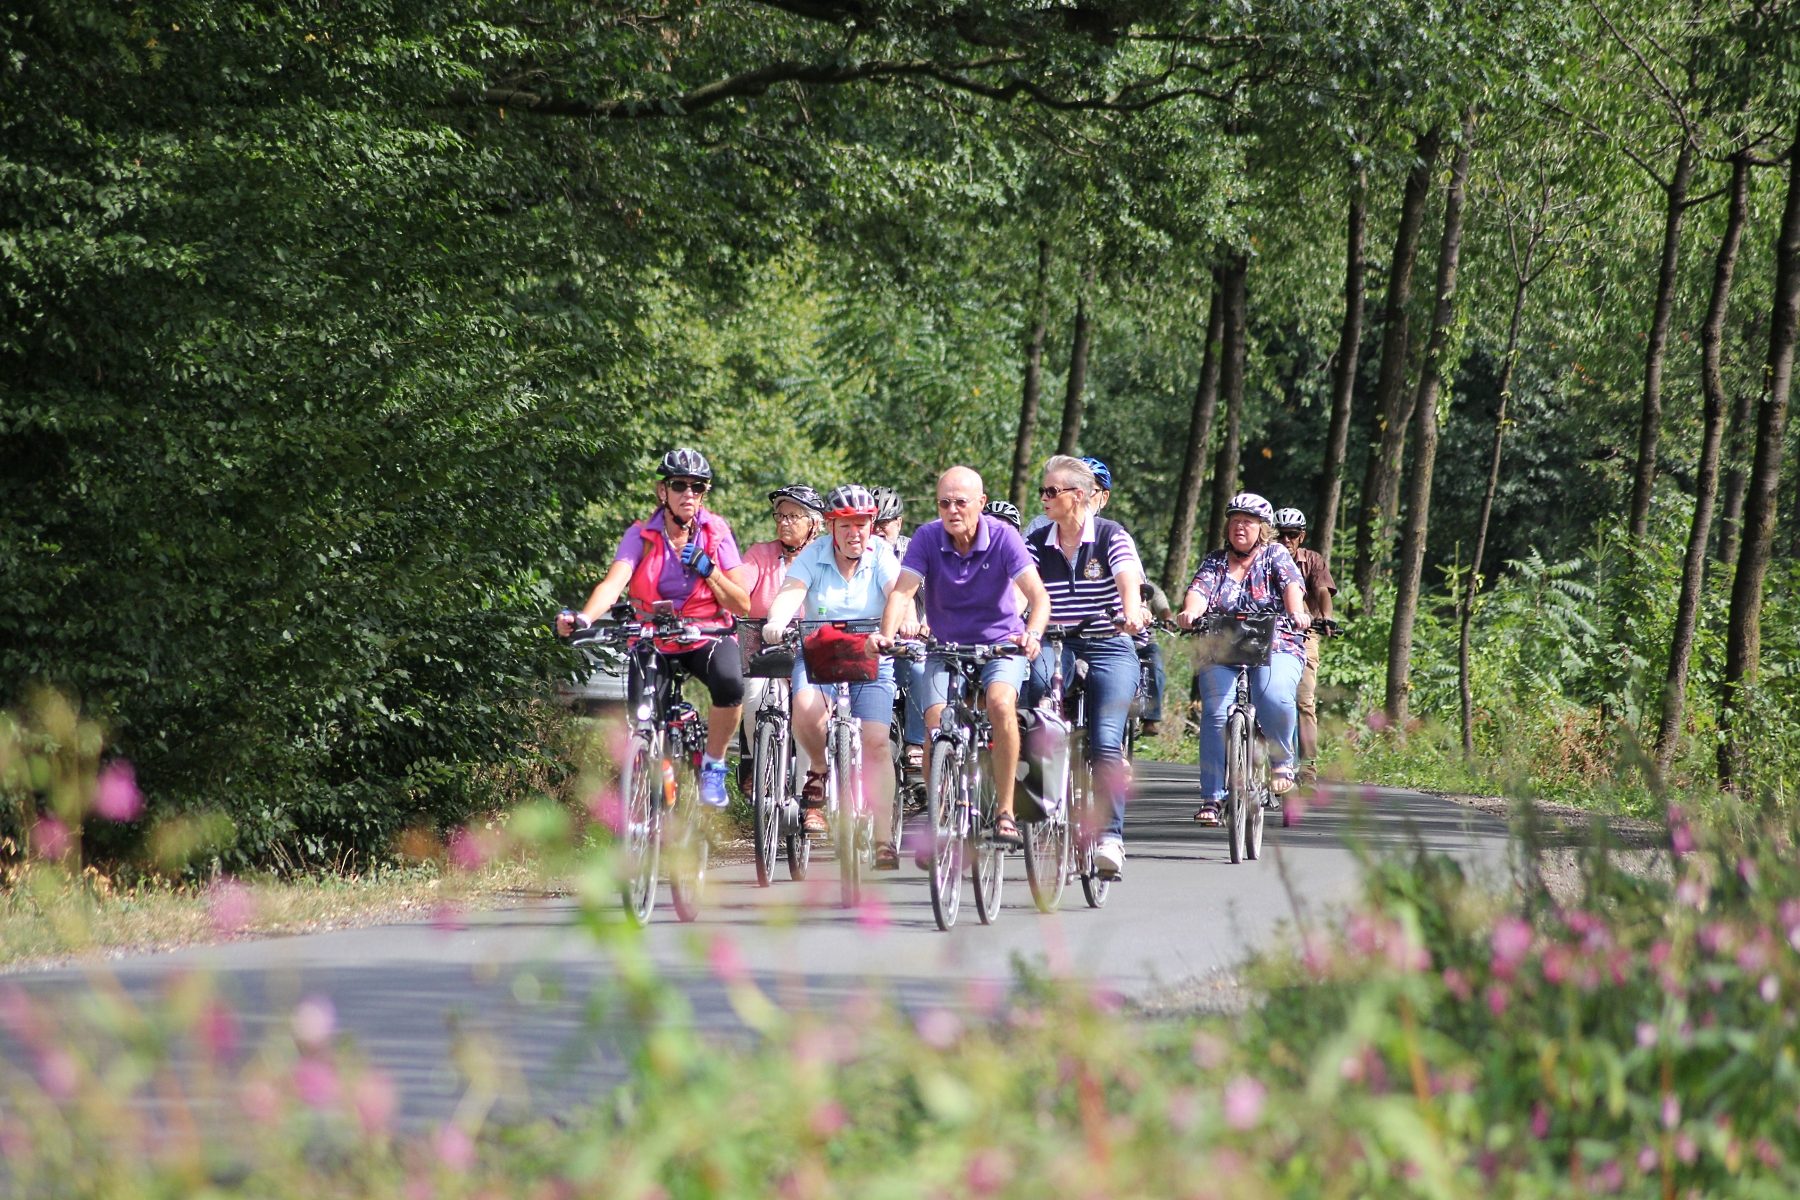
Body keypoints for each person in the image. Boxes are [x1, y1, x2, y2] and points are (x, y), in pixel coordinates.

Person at [556, 448, 753, 808]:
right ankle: (654, 772)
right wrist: (583, 618)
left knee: (730, 683)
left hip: (704, 633)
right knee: (644, 714)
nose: (688, 494)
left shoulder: (716, 531)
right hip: (652, 637)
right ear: (663, 491)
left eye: (697, 487)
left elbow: (742, 603)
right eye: (679, 485)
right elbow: (614, 583)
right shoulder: (641, 534)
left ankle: (713, 764)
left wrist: (710, 571)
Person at [873, 466, 1051, 851]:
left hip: (1000, 645)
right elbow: (903, 593)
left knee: (1001, 704)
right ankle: (941, 816)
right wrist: (887, 636)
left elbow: (1038, 597)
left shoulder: (1004, 537)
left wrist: (1032, 633)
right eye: (944, 502)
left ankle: (1005, 812)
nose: (952, 510)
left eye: (961, 502)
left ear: (981, 504)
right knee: (935, 720)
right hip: (947, 647)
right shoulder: (927, 537)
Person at [1020, 455, 1146, 878]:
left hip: (1108, 641)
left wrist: (1131, 612)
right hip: (1056, 642)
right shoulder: (1037, 541)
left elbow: (1128, 580)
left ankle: (1110, 837)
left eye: (1051, 491)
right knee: (1033, 699)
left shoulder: (1112, 536)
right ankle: (1037, 800)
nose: (1044, 498)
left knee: (1106, 740)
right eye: (1043, 490)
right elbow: (1024, 593)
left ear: (1078, 496)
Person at [763, 485, 903, 862]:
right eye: (846, 525)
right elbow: (792, 591)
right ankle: (820, 770)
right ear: (830, 527)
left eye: (862, 523)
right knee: (805, 708)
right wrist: (777, 620)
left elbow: (897, 594)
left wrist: (906, 622)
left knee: (875, 743)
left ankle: (884, 839)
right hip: (819, 653)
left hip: (872, 655)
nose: (856, 532)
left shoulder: (882, 556)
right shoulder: (813, 554)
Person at [1176, 491, 1311, 823]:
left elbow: (1292, 585)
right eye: (1235, 520)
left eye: (1247, 522)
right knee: (1215, 713)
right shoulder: (1215, 561)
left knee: (1273, 693)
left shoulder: (1275, 555)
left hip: (1276, 639)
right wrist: (1190, 613)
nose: (1239, 527)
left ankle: (1281, 762)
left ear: (1262, 528)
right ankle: (1212, 798)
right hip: (1223, 642)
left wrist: (1296, 612)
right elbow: (1199, 591)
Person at [736, 484, 825, 786]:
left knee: (808, 712)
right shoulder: (760, 554)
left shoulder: (825, 556)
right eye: (780, 515)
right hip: (765, 641)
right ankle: (760, 766)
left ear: (813, 522)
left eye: (793, 516)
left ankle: (806, 795)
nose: (784, 522)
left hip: (810, 645)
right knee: (753, 700)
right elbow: (740, 587)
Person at [1274, 506, 1336, 782]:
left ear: (1302, 536)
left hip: (1302, 634)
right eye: (1280, 534)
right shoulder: (1262, 559)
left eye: (1292, 535)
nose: (1286, 540)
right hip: (1265, 634)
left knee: (1304, 700)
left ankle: (1308, 766)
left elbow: (1322, 590)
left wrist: (1326, 617)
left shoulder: (1312, 561)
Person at [870, 486, 926, 786]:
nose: (878, 529)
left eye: (885, 523)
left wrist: (925, 624)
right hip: (867, 640)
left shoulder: (912, 551)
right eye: (873, 522)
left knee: (919, 670)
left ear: (899, 524)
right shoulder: (857, 551)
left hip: (907, 640)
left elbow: (931, 596)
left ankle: (916, 742)